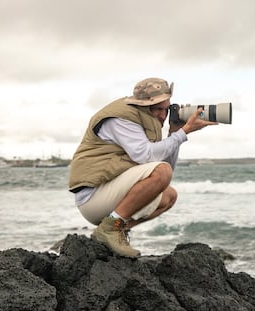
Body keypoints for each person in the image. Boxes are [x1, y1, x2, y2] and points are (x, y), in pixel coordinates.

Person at [68, 77, 217, 257]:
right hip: (92, 197)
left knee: (169, 196)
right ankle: (111, 229)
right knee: (161, 172)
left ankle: (116, 231)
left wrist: (174, 133)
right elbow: (147, 157)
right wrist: (183, 134)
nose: (162, 115)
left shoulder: (144, 120)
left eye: (166, 109)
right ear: (142, 104)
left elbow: (165, 169)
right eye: (157, 109)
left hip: (108, 193)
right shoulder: (121, 118)